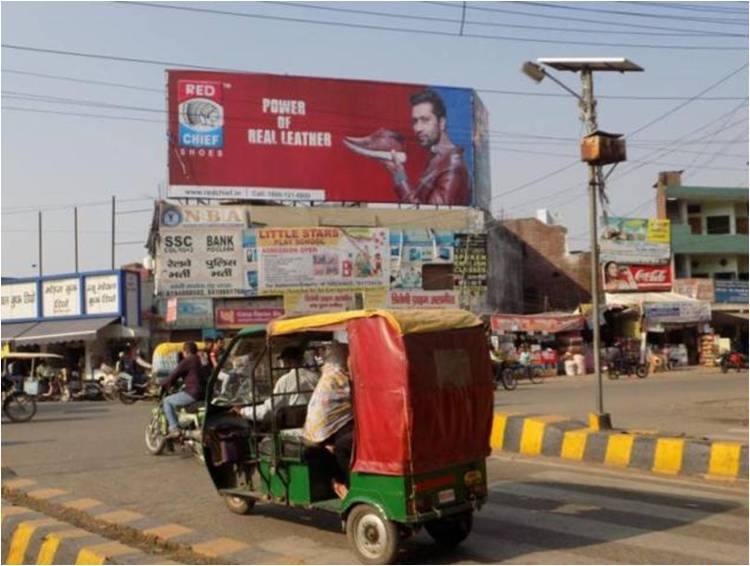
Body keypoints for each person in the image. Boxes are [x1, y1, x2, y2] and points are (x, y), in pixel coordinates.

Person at [382, 89, 469, 205]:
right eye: (415, 121)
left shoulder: (452, 167)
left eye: (425, 120)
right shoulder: (439, 159)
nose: (418, 128)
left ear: (441, 123)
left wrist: (400, 177)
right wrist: (397, 174)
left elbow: (431, 216)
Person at [302, 342, 353, 499]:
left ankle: (344, 484)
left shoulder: (333, 377)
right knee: (335, 447)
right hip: (330, 428)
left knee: (338, 447)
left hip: (325, 429)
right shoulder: (338, 377)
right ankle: (341, 482)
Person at [236, 346, 319, 425]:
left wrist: (243, 411)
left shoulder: (286, 380)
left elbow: (267, 412)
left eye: (283, 362)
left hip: (295, 428)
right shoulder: (316, 377)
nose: (283, 365)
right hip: (316, 423)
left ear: (288, 361)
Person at [161, 341, 203, 439]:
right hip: (203, 392)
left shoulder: (189, 360)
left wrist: (163, 384)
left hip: (192, 392)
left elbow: (174, 374)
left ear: (186, 352)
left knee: (167, 401)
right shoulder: (199, 359)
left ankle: (174, 428)